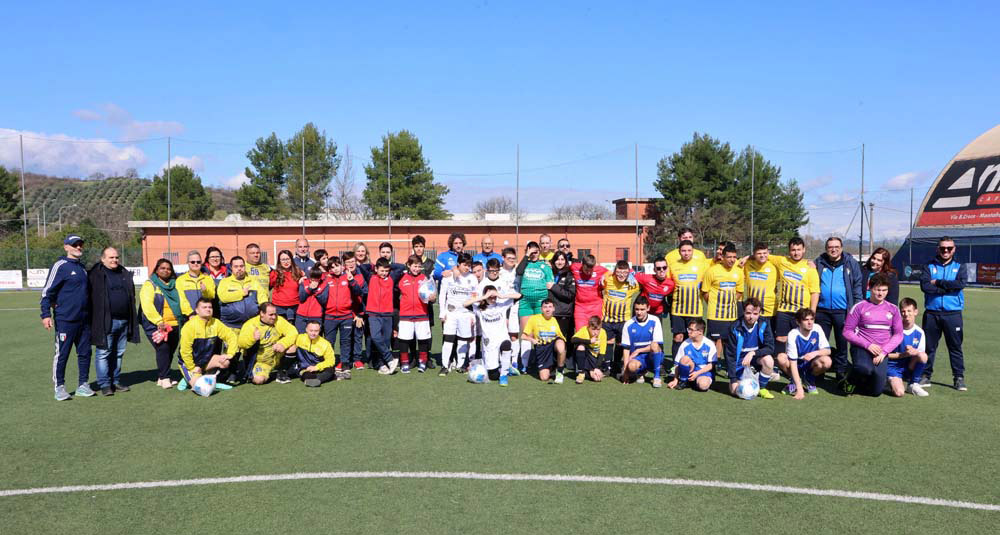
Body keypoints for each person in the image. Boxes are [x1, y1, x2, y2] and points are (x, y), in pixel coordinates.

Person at [40, 234, 93, 401]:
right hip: (66, 320)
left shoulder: (82, 268)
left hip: (84, 320)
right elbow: (47, 292)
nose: (78, 247)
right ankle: (59, 387)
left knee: (85, 353)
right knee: (62, 353)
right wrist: (46, 314)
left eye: (80, 245)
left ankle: (83, 385)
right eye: (74, 245)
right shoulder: (60, 266)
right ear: (66, 247)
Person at [841, 273, 904, 396]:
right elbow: (847, 332)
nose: (880, 293)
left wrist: (884, 352)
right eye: (877, 289)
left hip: (881, 352)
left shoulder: (893, 309)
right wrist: (867, 345)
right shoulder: (859, 307)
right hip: (862, 348)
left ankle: (860, 382)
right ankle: (848, 381)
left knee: (876, 392)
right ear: (870, 288)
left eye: (884, 290)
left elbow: (898, 335)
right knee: (864, 368)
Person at [88, 246, 139, 396]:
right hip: (105, 321)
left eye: (116, 257)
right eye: (111, 257)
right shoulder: (95, 275)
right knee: (103, 353)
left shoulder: (123, 272)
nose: (114, 260)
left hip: (124, 321)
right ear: (103, 259)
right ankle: (104, 384)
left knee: (119, 353)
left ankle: (115, 381)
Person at [918, 236, 967, 391]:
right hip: (932, 313)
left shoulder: (960, 266)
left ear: (954, 249)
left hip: (953, 314)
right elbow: (925, 287)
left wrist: (938, 282)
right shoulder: (928, 266)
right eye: (942, 248)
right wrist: (947, 288)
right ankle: (925, 376)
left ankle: (958, 378)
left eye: (949, 248)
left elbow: (960, 284)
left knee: (955, 347)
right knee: (929, 347)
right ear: (937, 249)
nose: (945, 251)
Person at [814, 236, 863, 385]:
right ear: (826, 249)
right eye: (830, 247)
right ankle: (818, 372)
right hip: (822, 311)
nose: (833, 249)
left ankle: (840, 373)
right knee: (820, 344)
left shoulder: (851, 263)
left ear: (841, 248)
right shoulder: (818, 262)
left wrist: (856, 309)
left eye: (836, 246)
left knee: (842, 344)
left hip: (843, 311)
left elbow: (857, 286)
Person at [770, 237, 820, 366]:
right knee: (781, 338)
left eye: (799, 249)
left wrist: (812, 312)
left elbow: (815, 291)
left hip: (801, 311)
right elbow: (764, 255)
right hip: (784, 310)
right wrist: (747, 258)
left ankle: (801, 366)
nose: (796, 253)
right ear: (789, 251)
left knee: (801, 338)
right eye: (793, 250)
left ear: (804, 250)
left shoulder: (810, 267)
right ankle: (780, 365)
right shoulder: (782, 261)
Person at [217, 256, 269, 380]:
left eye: (241, 266)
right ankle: (232, 373)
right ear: (231, 268)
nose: (239, 269)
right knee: (232, 349)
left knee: (250, 347)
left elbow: (262, 298)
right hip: (231, 324)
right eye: (236, 266)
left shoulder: (254, 282)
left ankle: (248, 372)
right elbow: (223, 297)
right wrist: (241, 293)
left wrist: (264, 311)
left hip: (250, 323)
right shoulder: (225, 282)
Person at [176, 297, 238, 393]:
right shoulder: (189, 326)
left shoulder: (216, 323)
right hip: (189, 363)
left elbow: (231, 336)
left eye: (210, 307)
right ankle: (188, 378)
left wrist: (230, 354)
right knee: (202, 389)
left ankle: (204, 378)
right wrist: (192, 368)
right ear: (197, 311)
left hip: (205, 361)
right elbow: (185, 351)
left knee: (225, 362)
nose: (208, 309)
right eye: (204, 307)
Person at [139, 258, 182, 389]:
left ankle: (162, 375)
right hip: (157, 324)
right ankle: (165, 378)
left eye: (168, 268)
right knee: (162, 348)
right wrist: (158, 321)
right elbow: (147, 305)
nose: (166, 270)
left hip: (175, 323)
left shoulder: (175, 284)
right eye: (162, 268)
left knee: (170, 350)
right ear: (157, 270)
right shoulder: (150, 284)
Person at [466, 285, 520, 386]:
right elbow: (464, 304)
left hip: (502, 337)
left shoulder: (502, 305)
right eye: (490, 296)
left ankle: (504, 375)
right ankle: (505, 367)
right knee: (493, 375)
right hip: (489, 342)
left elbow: (520, 296)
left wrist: (501, 295)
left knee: (506, 345)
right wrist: (483, 297)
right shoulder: (479, 309)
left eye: (494, 296)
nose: (493, 298)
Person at [723, 297, 775, 399]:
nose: (751, 317)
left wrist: (753, 353)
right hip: (739, 364)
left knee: (769, 360)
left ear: (759, 313)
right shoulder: (734, 328)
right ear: (743, 312)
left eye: (755, 314)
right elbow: (730, 355)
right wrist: (733, 379)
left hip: (755, 361)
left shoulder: (764, 324)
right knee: (734, 391)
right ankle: (752, 378)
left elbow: (770, 347)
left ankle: (762, 388)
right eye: (748, 313)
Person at [515, 242, 554, 372]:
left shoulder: (544, 265)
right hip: (525, 301)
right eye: (531, 250)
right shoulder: (524, 263)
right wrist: (526, 255)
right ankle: (524, 365)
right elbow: (519, 271)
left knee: (539, 332)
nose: (534, 253)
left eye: (536, 250)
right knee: (526, 332)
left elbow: (550, 283)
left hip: (540, 301)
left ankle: (541, 362)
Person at [238, 301, 299, 385]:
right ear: (262, 314)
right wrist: (253, 338)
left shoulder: (278, 320)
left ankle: (282, 371)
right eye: (271, 315)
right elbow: (241, 343)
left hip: (277, 356)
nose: (274, 317)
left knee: (293, 347)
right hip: (262, 362)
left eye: (275, 314)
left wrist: (283, 344)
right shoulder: (250, 325)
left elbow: (293, 332)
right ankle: (268, 372)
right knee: (258, 380)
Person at [777, 307, 831, 399]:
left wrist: (814, 353)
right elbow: (793, 363)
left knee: (827, 361)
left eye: (812, 319)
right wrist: (800, 389)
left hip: (810, 364)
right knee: (781, 357)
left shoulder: (817, 328)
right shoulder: (793, 334)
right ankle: (795, 381)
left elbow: (828, 350)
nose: (810, 322)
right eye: (806, 320)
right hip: (796, 364)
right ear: (798, 322)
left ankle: (809, 379)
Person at [438, 253, 478, 375]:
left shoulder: (473, 278)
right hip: (451, 313)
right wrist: (442, 312)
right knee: (448, 339)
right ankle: (445, 365)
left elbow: (474, 298)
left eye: (469, 265)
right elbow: (442, 295)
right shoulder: (449, 277)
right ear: (458, 264)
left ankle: (460, 365)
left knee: (463, 340)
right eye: (465, 265)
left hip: (465, 313)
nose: (467, 267)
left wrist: (473, 314)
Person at [702, 242, 744, 360]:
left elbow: (739, 291)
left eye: (734, 257)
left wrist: (729, 302)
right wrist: (715, 303)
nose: (732, 260)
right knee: (713, 343)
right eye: (729, 257)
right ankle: (711, 368)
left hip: (731, 316)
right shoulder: (712, 271)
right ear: (723, 257)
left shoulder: (738, 272)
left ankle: (730, 368)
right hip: (715, 315)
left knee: (729, 343)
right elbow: (705, 291)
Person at [323, 256, 365, 370]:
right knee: (329, 341)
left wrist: (352, 280)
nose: (335, 269)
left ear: (342, 265)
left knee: (345, 341)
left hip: (346, 315)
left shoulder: (348, 277)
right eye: (332, 267)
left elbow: (358, 292)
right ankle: (329, 362)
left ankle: (345, 362)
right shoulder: (326, 279)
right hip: (329, 316)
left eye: (337, 266)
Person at [600, 260, 641, 375]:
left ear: (628, 273)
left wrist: (633, 274)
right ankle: (607, 365)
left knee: (619, 343)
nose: (621, 275)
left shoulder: (632, 284)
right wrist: (606, 274)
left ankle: (617, 364)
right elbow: (601, 273)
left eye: (625, 272)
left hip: (623, 320)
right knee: (608, 341)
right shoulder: (608, 280)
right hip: (607, 319)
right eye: (619, 272)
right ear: (614, 272)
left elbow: (643, 280)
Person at [397, 255, 435, 373]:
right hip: (405, 315)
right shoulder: (402, 278)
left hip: (422, 314)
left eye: (419, 266)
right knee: (404, 340)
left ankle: (422, 362)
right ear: (409, 265)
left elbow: (432, 296)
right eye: (414, 266)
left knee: (423, 340)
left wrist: (433, 298)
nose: (416, 268)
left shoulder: (424, 278)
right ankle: (404, 363)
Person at [668, 240, 707, 355]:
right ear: (679, 252)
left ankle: (695, 363)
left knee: (694, 337)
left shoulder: (701, 265)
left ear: (693, 251)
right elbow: (667, 283)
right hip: (677, 310)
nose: (686, 253)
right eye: (683, 251)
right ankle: (676, 365)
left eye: (689, 250)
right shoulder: (673, 265)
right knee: (678, 337)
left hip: (695, 310)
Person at [364, 258, 402, 374]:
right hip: (373, 313)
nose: (384, 273)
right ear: (376, 269)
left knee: (385, 341)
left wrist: (389, 264)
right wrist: (373, 267)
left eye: (386, 270)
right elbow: (362, 267)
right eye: (381, 270)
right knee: (375, 337)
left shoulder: (391, 278)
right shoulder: (371, 277)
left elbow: (401, 267)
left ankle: (383, 365)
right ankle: (390, 359)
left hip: (387, 314)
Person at [887, 298, 930, 397]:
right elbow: (884, 354)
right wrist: (903, 355)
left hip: (908, 366)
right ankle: (887, 381)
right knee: (899, 393)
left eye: (909, 311)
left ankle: (913, 384)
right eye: (903, 311)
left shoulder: (919, 332)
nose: (906, 314)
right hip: (893, 366)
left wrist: (913, 352)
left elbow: (920, 354)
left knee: (923, 356)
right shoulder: (892, 330)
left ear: (915, 312)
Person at [620, 297, 665, 387]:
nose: (639, 312)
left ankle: (656, 377)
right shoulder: (628, 324)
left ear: (648, 308)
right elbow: (626, 348)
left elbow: (657, 344)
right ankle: (640, 372)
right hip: (638, 358)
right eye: (637, 309)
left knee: (654, 345)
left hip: (652, 355)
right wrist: (626, 370)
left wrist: (638, 350)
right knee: (631, 367)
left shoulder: (655, 320)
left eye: (642, 309)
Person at [521, 299, 567, 383]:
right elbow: (523, 336)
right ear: (541, 309)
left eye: (550, 307)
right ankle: (552, 368)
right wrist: (532, 340)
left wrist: (560, 346)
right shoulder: (534, 319)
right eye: (545, 307)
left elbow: (561, 337)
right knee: (544, 378)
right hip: (542, 348)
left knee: (561, 346)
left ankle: (560, 371)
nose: (548, 309)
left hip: (553, 345)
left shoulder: (554, 320)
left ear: (554, 309)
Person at [666, 318, 716, 392]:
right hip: (690, 370)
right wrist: (675, 380)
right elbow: (677, 364)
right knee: (684, 359)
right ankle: (683, 380)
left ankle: (694, 382)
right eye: (688, 329)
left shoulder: (709, 344)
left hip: (702, 372)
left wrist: (697, 374)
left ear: (700, 331)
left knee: (703, 386)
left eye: (691, 330)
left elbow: (711, 365)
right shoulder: (685, 344)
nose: (688, 332)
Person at [294, 321, 339, 387]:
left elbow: (331, 361)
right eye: (311, 330)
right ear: (306, 329)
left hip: (319, 368)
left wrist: (317, 367)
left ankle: (316, 380)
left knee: (330, 370)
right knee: (306, 375)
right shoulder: (299, 338)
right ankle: (323, 378)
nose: (313, 333)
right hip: (304, 368)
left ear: (319, 331)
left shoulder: (325, 344)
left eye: (316, 331)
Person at [547, 251, 577, 350]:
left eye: (562, 259)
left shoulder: (569, 275)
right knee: (549, 339)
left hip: (563, 313)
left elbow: (570, 295)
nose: (560, 262)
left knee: (564, 339)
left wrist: (554, 287)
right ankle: (551, 363)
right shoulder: (549, 273)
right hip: (550, 313)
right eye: (557, 259)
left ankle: (567, 363)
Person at [743, 243, 778, 325]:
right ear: (754, 254)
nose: (762, 256)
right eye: (759, 253)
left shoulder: (775, 266)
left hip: (769, 311)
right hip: (752, 311)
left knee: (769, 336)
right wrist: (746, 257)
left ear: (768, 253)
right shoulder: (747, 264)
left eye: (765, 253)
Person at [570, 254, 608, 330]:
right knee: (580, 332)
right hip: (580, 307)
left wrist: (605, 276)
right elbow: (563, 266)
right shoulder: (575, 267)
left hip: (595, 307)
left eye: (591, 270)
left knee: (595, 331)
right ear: (582, 264)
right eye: (586, 270)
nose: (588, 273)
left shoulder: (600, 270)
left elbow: (615, 272)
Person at [176, 250, 216, 317]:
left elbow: (212, 296)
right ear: (188, 263)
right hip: (189, 317)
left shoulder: (208, 279)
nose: (196, 263)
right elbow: (182, 300)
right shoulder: (181, 280)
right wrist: (190, 314)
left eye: (198, 262)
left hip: (206, 316)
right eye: (192, 262)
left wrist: (205, 291)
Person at [571, 316, 608, 384]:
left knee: (597, 378)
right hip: (585, 355)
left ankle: (588, 371)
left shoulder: (603, 333)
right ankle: (581, 372)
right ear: (588, 327)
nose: (596, 332)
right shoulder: (584, 330)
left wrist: (596, 367)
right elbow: (573, 340)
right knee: (581, 346)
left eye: (598, 329)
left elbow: (602, 353)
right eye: (593, 329)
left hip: (594, 358)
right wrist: (589, 341)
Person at [269, 249, 303, 321]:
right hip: (279, 307)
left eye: (287, 259)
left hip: (295, 306)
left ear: (291, 259)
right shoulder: (275, 274)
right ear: (279, 261)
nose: (286, 262)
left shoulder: (298, 272)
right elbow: (268, 287)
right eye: (283, 259)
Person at [296, 266, 328, 333]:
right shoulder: (304, 283)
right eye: (312, 279)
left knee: (315, 338)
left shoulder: (324, 285)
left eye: (316, 279)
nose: (313, 281)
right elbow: (301, 298)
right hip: (301, 316)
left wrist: (315, 290)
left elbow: (324, 301)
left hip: (316, 316)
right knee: (300, 337)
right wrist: (309, 289)